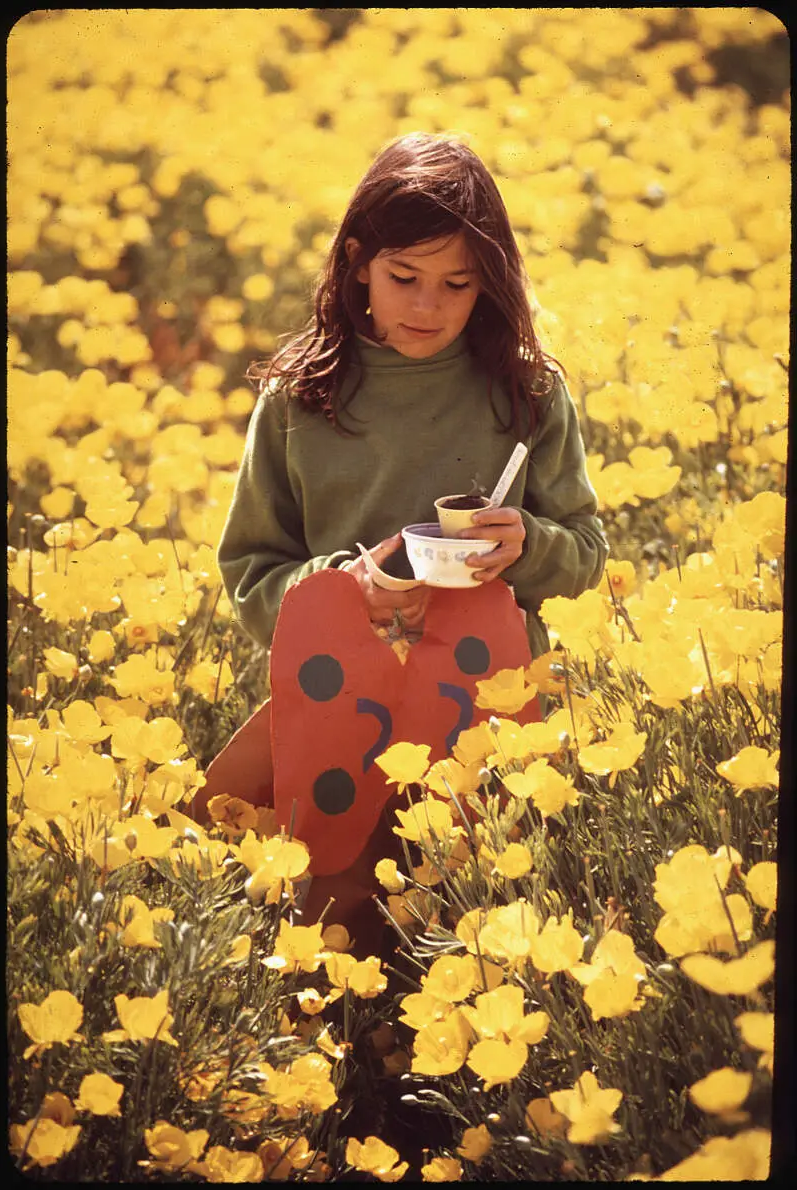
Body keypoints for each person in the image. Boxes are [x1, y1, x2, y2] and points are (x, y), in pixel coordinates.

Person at [209, 131, 608, 951]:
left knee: (478, 925)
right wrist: (340, 585)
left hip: (487, 703)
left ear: (488, 284)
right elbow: (251, 577)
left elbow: (585, 550)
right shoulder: (298, 399)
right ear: (357, 262)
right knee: (324, 927)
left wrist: (525, 543)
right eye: (404, 278)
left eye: (457, 284)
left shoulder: (528, 391)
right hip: (335, 699)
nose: (427, 306)